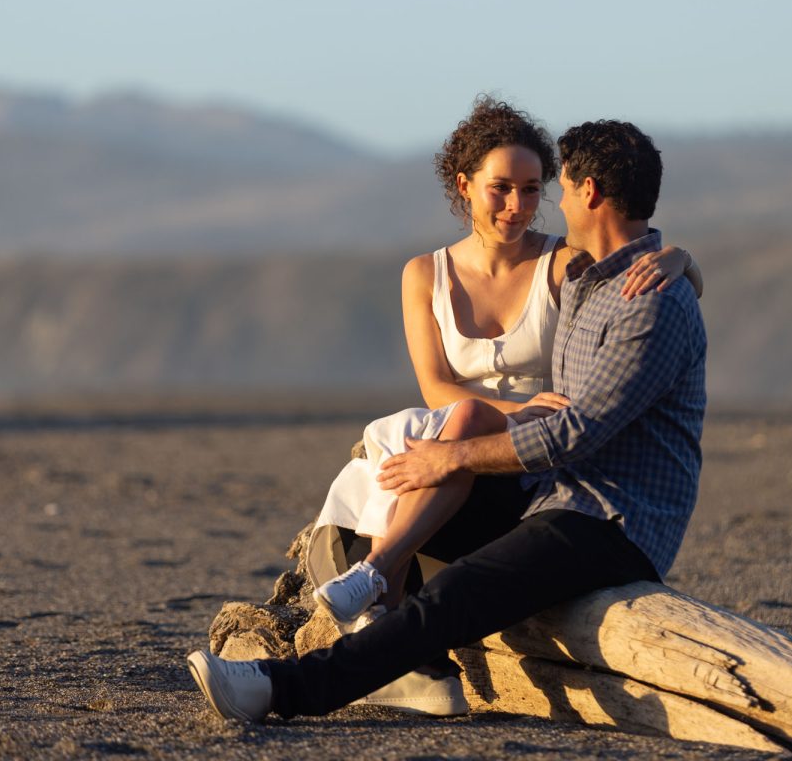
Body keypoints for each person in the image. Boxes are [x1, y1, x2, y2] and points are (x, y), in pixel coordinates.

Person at [187, 116, 708, 725]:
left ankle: (279, 690)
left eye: (554, 187)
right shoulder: (594, 282)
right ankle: (403, 643)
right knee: (395, 501)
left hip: (611, 517)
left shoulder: (643, 302)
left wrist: (451, 457)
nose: (547, 204)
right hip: (548, 490)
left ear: (587, 191)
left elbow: (574, 433)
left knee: (460, 591)